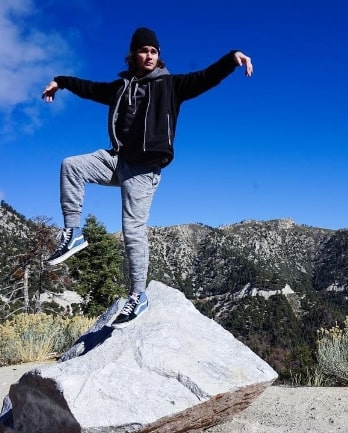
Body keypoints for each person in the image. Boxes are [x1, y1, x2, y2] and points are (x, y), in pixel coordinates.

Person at [41, 27, 253, 328]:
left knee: (132, 228)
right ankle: (73, 233)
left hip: (144, 169)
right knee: (71, 165)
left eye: (154, 51)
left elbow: (206, 77)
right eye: (144, 51)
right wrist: (61, 82)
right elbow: (89, 88)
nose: (150, 55)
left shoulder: (171, 86)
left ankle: (138, 295)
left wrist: (232, 58)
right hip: (117, 159)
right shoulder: (120, 87)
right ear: (134, 55)